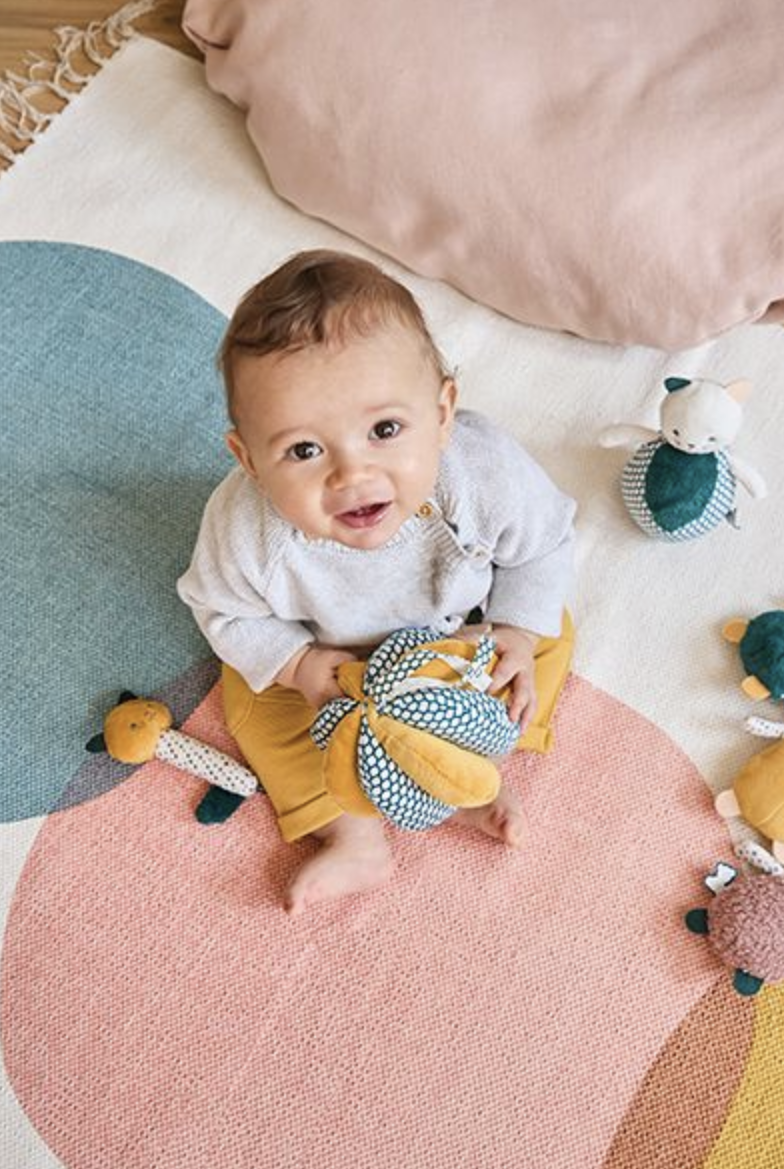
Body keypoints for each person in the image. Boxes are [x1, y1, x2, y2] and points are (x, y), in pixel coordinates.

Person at [178, 250, 577, 912]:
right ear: (248, 459)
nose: (351, 475)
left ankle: (477, 768)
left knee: (551, 632)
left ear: (443, 412)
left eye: (385, 430)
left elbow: (546, 542)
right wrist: (298, 666)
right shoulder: (248, 536)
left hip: (459, 641)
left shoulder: (482, 475)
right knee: (251, 708)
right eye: (304, 451)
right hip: (333, 671)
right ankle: (355, 835)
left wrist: (513, 631)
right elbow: (221, 612)